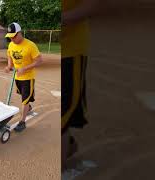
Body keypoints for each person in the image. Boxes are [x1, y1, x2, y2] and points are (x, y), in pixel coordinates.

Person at [61, 0, 99, 174]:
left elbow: (93, 5)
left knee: (65, 113)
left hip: (71, 50)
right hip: (64, 52)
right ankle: (68, 147)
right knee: (64, 114)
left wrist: (62, 18)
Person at [4, 22, 43, 132]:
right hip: (17, 77)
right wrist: (9, 66)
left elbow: (39, 60)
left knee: (24, 100)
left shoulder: (30, 45)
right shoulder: (11, 45)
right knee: (23, 96)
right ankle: (28, 107)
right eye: (10, 37)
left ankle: (22, 122)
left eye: (13, 36)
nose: (12, 39)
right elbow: (9, 55)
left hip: (28, 78)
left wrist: (25, 68)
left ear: (19, 33)